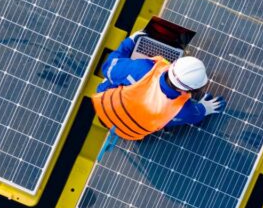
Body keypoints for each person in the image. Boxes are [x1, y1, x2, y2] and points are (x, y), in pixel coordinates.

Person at [92, 32, 225, 141]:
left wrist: (130, 42)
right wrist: (204, 109)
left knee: (121, 74)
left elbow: (108, 68)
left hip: (104, 108)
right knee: (164, 120)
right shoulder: (182, 109)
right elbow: (195, 115)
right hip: (129, 133)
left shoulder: (141, 69)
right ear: (189, 90)